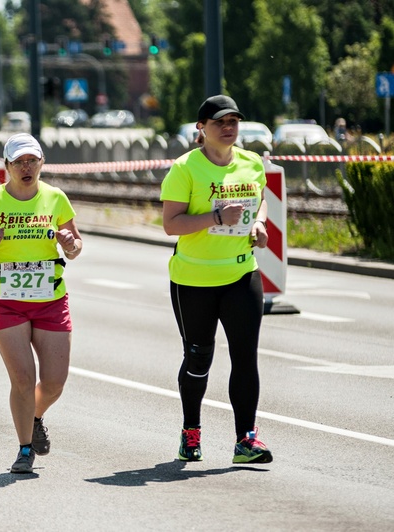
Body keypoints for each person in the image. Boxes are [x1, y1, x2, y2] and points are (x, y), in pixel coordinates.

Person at [159, 95, 273, 464]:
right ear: (202, 128)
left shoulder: (251, 163)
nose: (227, 128)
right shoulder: (185, 169)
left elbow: (260, 200)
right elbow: (171, 224)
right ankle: (190, 432)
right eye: (219, 122)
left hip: (241, 274)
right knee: (199, 359)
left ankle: (246, 440)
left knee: (245, 358)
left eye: (233, 121)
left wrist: (258, 223)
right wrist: (216, 218)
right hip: (193, 280)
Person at [0, 133, 83, 474]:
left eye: (32, 161)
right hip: (6, 301)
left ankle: (35, 416)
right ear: (7, 166)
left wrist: (69, 244)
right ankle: (25, 448)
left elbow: (76, 247)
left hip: (50, 298)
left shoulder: (55, 198)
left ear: (42, 163)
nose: (26, 168)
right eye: (18, 162)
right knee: (24, 380)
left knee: (54, 382)